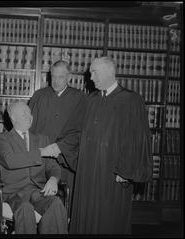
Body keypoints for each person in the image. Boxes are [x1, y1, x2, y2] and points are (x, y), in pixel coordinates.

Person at [54, 56, 153, 234]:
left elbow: (138, 138)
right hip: (88, 172)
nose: (90, 78)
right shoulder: (89, 99)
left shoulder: (131, 100)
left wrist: (126, 170)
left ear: (109, 72)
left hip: (113, 173)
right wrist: (61, 147)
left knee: (109, 219)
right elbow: (73, 131)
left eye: (94, 72)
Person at [0, 100, 68, 234]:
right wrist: (41, 152)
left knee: (56, 203)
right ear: (13, 118)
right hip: (13, 193)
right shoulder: (1, 138)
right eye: (24, 113)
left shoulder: (42, 139)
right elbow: (10, 161)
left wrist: (53, 180)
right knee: (25, 208)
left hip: (37, 191)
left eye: (30, 112)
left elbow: (53, 166)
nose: (30, 116)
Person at [28, 60, 86, 217]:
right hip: (42, 157)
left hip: (66, 157)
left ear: (69, 77)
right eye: (53, 76)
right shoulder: (39, 95)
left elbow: (82, 131)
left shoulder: (80, 98)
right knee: (41, 200)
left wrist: (62, 147)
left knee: (66, 201)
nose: (56, 81)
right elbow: (29, 127)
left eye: (61, 77)